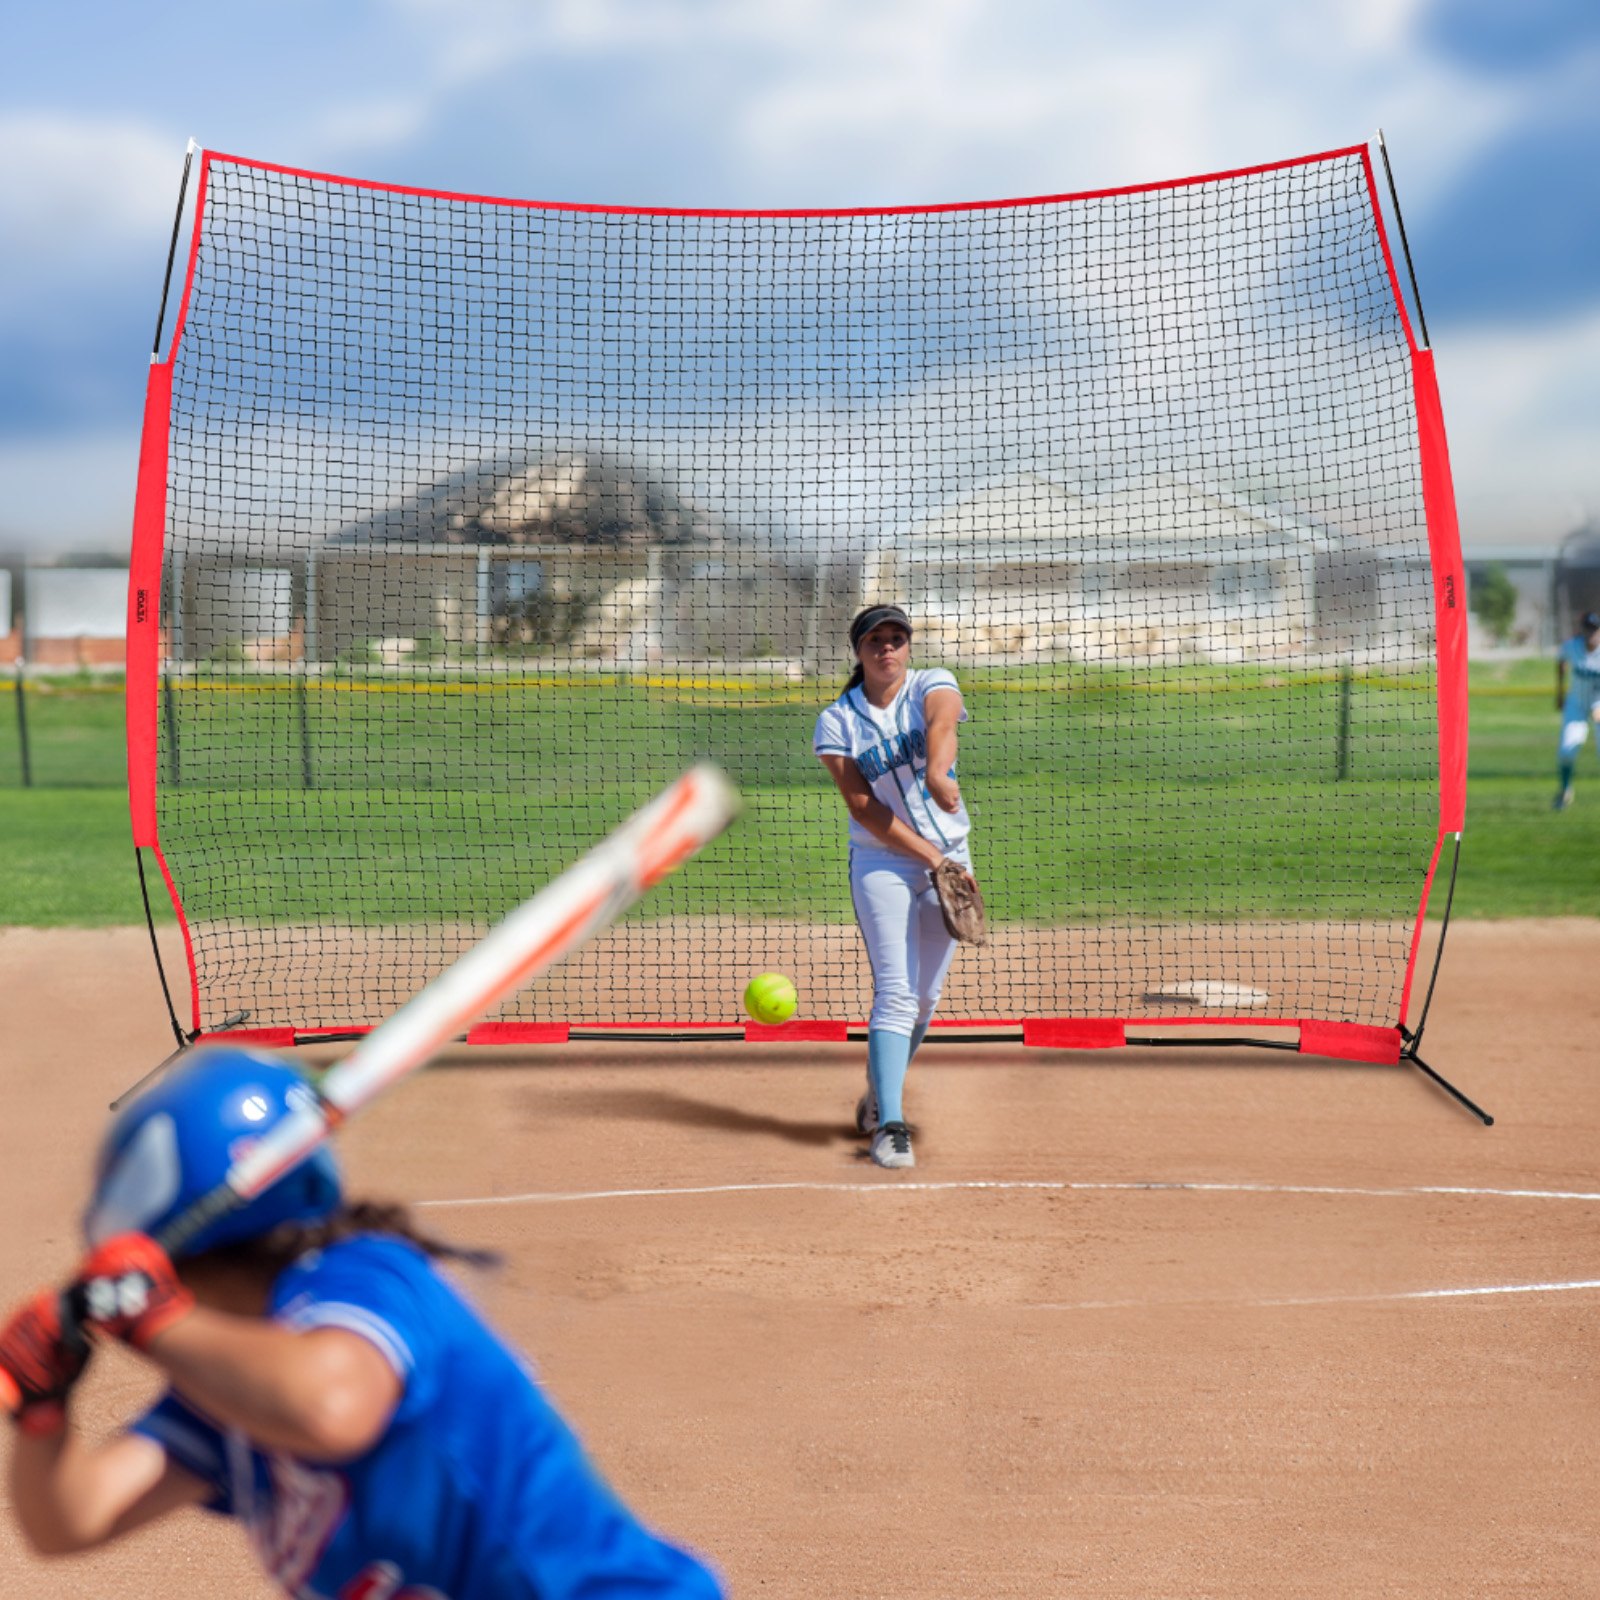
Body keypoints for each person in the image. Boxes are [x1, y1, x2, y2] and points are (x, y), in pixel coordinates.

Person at [0, 1047, 724, 1600]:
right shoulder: (234, 1392)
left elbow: (332, 1407)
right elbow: (70, 1521)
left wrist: (151, 1316)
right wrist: (43, 1410)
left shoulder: (368, 1277)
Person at [813, 604, 980, 1170]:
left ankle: (878, 1089)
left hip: (950, 862)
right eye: (875, 640)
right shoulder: (838, 720)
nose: (888, 647)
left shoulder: (933, 683)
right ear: (858, 653)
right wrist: (937, 860)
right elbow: (862, 808)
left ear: (908, 646)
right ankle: (890, 1126)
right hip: (883, 863)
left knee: (927, 998)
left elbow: (943, 723)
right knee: (897, 991)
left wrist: (937, 773)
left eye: (897, 638)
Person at [1554, 610, 1600, 810]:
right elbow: (1561, 660)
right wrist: (1560, 693)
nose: (1591, 633)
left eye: (1595, 629)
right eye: (1588, 629)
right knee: (1567, 750)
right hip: (1576, 704)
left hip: (1598, 704)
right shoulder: (1572, 646)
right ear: (1583, 629)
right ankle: (1565, 791)